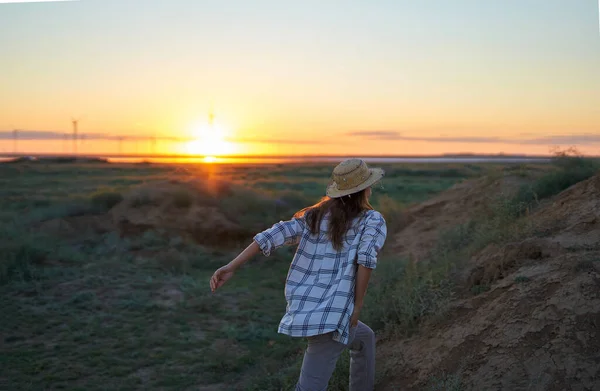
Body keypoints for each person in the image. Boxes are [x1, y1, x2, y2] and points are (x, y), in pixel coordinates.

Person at [210, 158, 387, 391]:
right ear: (365, 189)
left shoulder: (314, 216)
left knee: (364, 338)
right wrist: (357, 306)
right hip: (331, 321)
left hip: (309, 309)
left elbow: (272, 234)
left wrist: (231, 266)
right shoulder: (371, 220)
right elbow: (366, 259)